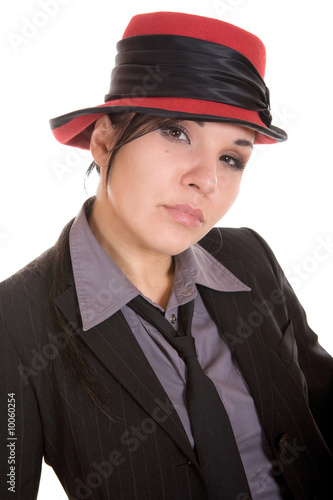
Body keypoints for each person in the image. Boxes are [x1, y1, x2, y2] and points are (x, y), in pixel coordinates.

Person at [0, 10, 332, 500]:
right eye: (177, 132)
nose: (207, 180)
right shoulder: (15, 322)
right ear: (104, 139)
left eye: (231, 157)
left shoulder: (249, 257)